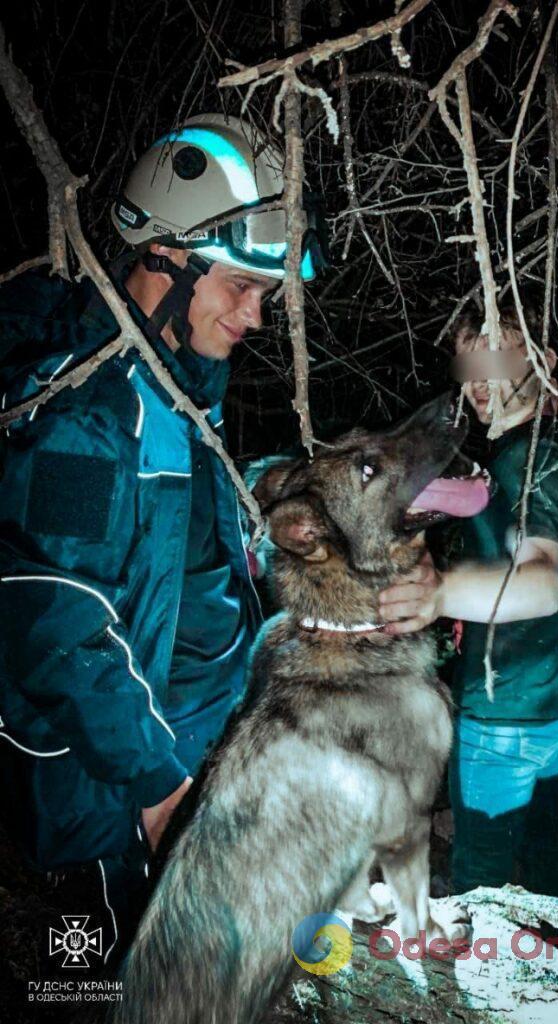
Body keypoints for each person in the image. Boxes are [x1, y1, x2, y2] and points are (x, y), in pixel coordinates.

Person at [0, 113, 320, 960]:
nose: (254, 315)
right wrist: (158, 789)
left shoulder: (178, 381)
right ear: (166, 259)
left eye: (265, 294)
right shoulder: (89, 414)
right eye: (240, 287)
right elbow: (51, 614)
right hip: (123, 792)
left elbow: (183, 538)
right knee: (113, 978)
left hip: (203, 738)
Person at [378, 304, 558, 896]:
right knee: (544, 840)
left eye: (496, 358)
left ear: (545, 362)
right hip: (551, 687)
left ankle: (482, 968)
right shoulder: (551, 445)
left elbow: (542, 581)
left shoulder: (526, 460)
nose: (476, 380)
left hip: (504, 715)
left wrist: (441, 591)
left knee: (481, 877)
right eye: (469, 363)